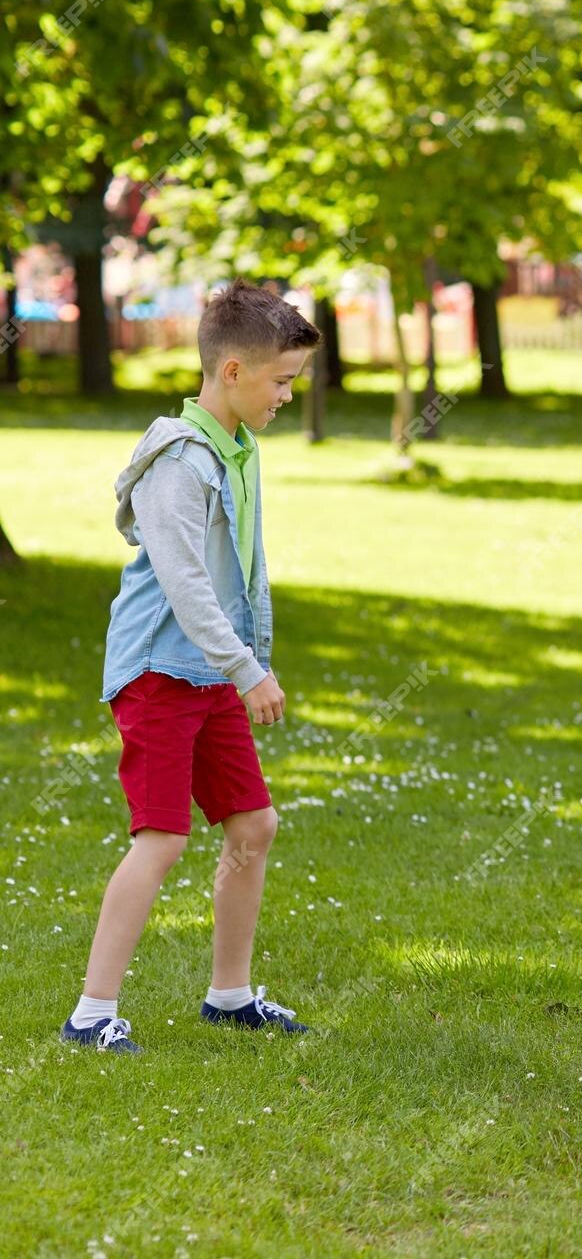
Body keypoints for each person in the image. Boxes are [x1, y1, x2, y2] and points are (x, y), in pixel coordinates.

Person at [62, 281, 321, 1055]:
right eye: (281, 382)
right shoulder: (180, 459)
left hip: (207, 670)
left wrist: (248, 658)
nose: (286, 396)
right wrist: (246, 668)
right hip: (158, 673)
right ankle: (90, 1014)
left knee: (253, 823)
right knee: (163, 837)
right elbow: (185, 580)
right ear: (233, 371)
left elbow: (247, 566)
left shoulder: (240, 449)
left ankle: (230, 995)